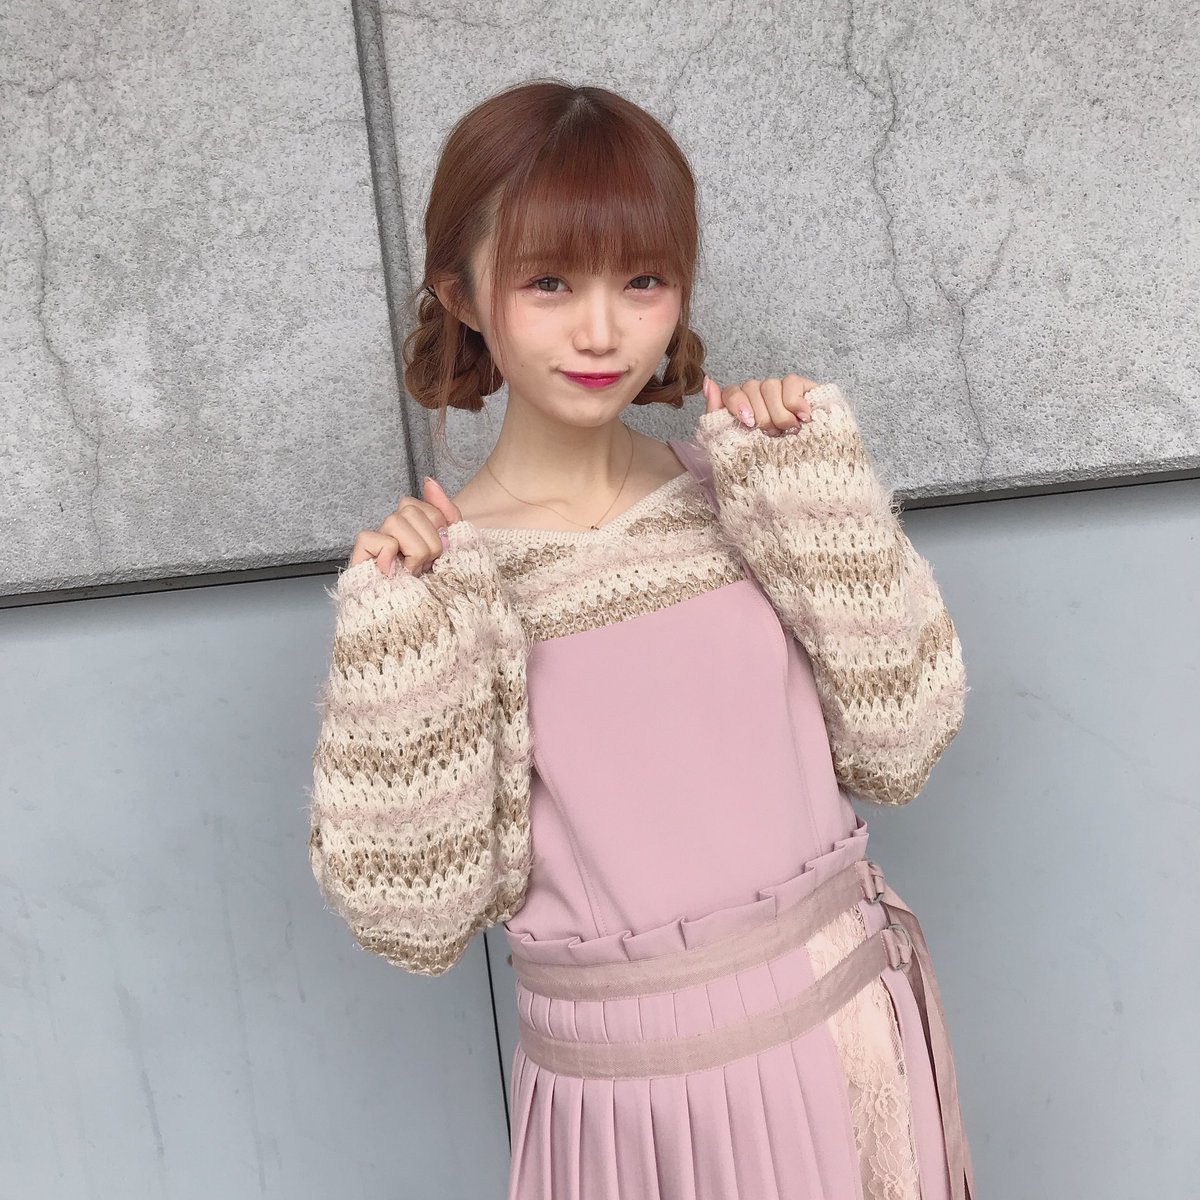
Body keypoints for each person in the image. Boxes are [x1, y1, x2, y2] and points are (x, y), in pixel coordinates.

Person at [306, 79, 976, 1200]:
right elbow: (415, 918)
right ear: (460, 292)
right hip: (634, 1110)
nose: (603, 331)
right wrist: (400, 645)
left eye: (643, 280)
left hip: (847, 1036)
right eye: (549, 282)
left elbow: (899, 747)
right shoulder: (443, 590)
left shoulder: (746, 493)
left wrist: (813, 489)